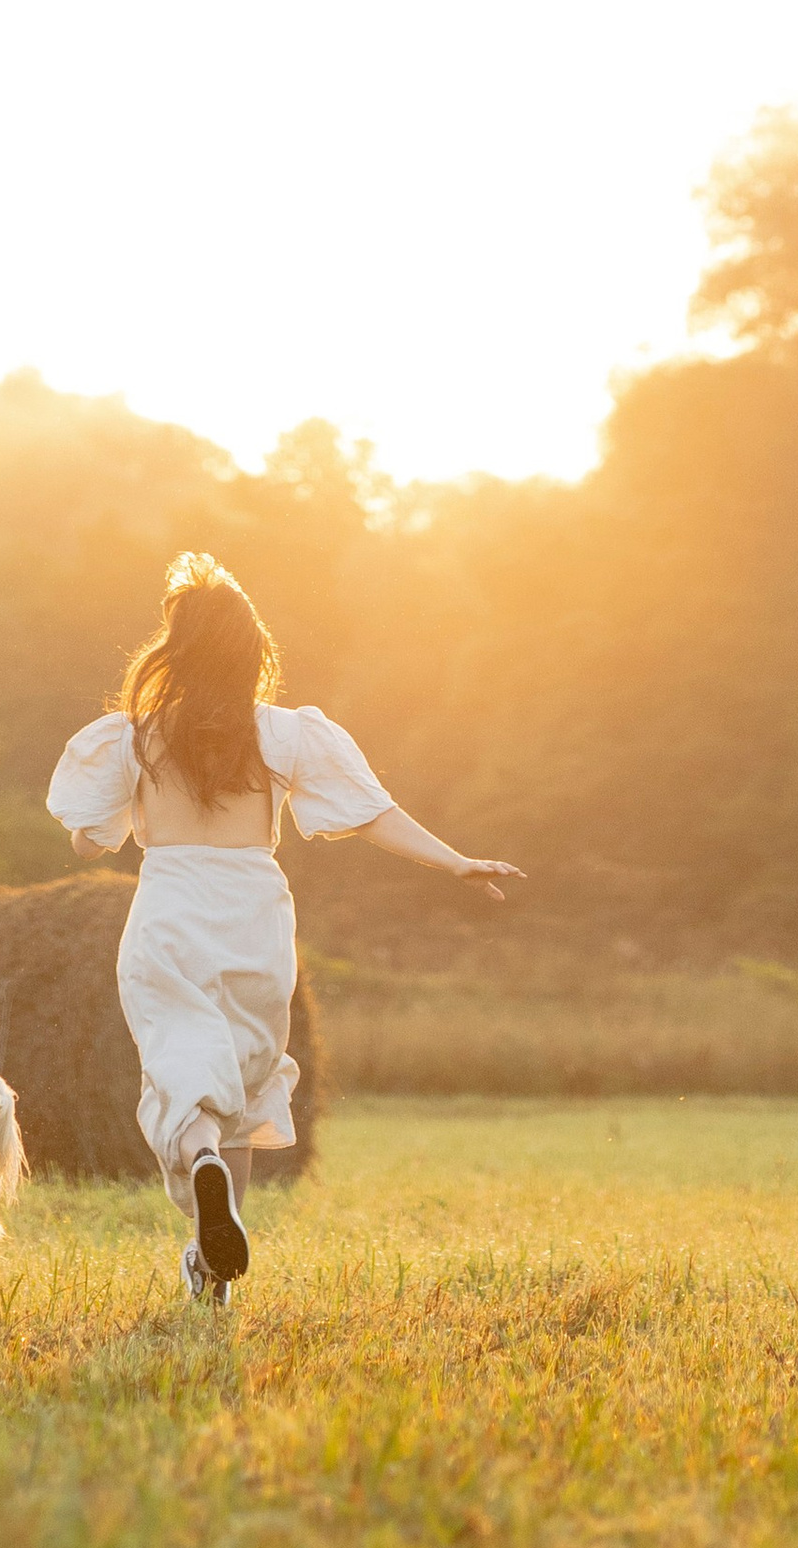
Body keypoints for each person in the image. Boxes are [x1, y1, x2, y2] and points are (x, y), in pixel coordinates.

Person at [47, 550, 523, 1303]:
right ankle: (215, 1272)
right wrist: (457, 861)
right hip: (255, 915)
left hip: (170, 905)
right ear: (250, 649)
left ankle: (200, 1170)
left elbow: (87, 839)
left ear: (176, 646)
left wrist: (116, 809)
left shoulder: (134, 736)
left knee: (182, 1066)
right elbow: (372, 813)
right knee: (238, 1081)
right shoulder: (284, 734)